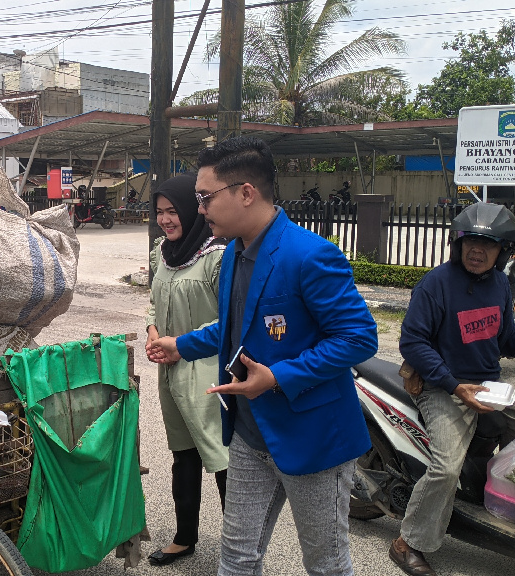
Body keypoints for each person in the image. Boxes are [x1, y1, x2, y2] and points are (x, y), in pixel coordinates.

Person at [147, 136, 378, 576]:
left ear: (246, 193)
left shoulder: (310, 255)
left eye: (205, 197)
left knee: (326, 563)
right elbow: (236, 328)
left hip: (313, 437)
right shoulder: (234, 252)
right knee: (236, 556)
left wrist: (277, 377)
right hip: (251, 436)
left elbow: (359, 338)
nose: (199, 209)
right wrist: (182, 344)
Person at [390, 202, 515, 576]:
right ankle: (408, 542)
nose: (477, 250)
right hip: (441, 386)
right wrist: (453, 385)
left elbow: (507, 337)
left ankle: (507, 508)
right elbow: (413, 342)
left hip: (487, 387)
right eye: (470, 241)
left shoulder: (499, 284)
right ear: (457, 243)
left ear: (504, 252)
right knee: (446, 468)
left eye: (489, 243)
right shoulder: (436, 284)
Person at [144, 173, 228, 567]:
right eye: (159, 212)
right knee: (183, 455)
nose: (165, 219)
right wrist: (153, 332)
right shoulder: (161, 251)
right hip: (169, 371)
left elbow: (230, 320)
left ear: (191, 211)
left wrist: (182, 346)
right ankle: (184, 537)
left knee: (221, 457)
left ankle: (240, 546)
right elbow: (153, 300)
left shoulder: (218, 257)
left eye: (172, 211)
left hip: (208, 372)